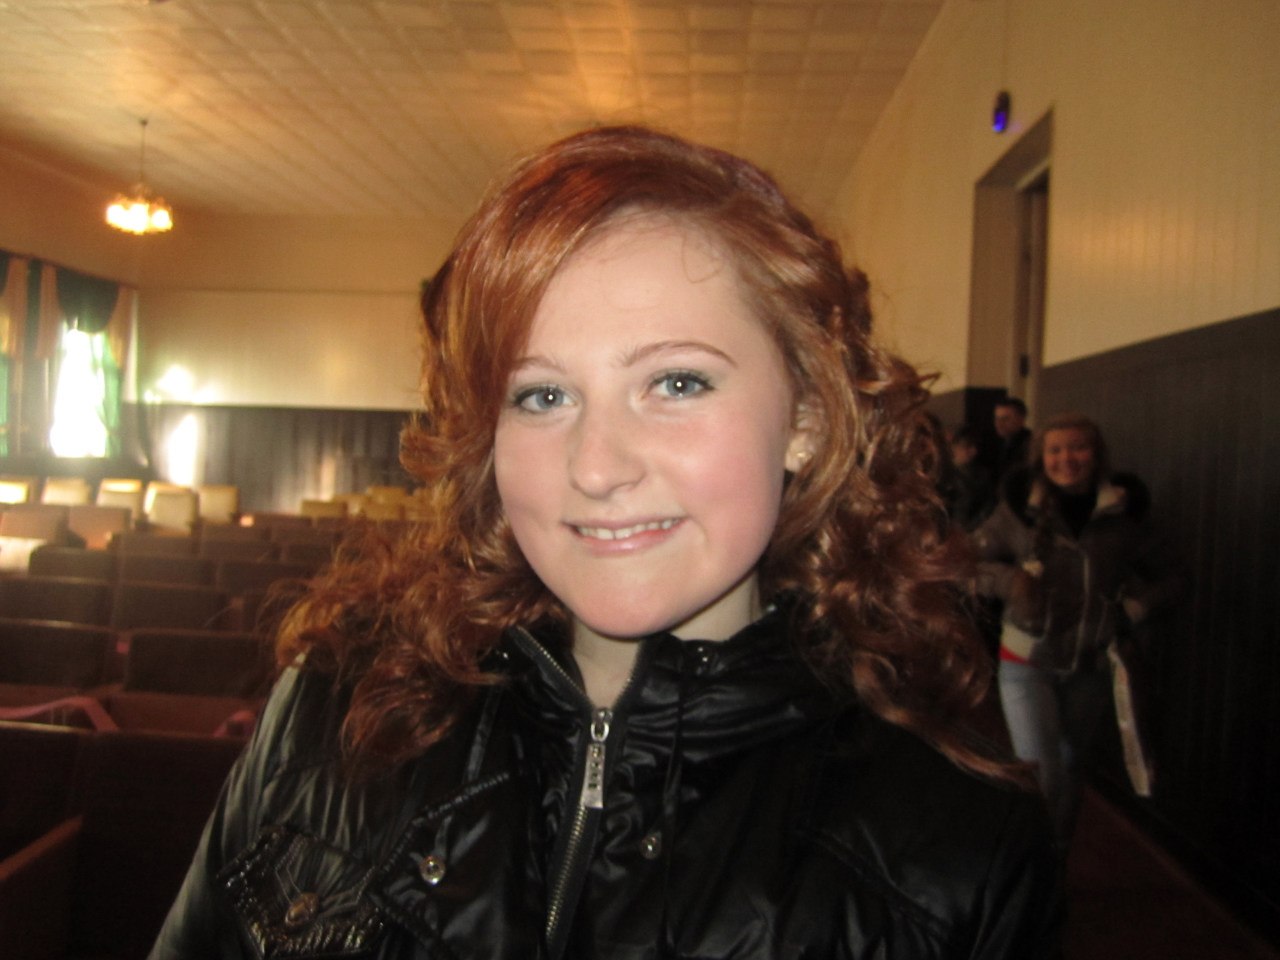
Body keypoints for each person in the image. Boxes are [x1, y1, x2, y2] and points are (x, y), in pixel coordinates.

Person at [151, 126, 1061, 959]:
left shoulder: (961, 848)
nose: (595, 467)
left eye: (676, 382)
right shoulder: (332, 709)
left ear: (807, 418)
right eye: (542, 395)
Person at [973, 413, 1181, 850]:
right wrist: (1010, 582)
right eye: (1055, 450)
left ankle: (1054, 862)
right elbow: (966, 563)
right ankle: (1027, 867)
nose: (1066, 458)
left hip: (1090, 665)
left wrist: (1135, 608)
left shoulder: (1122, 515)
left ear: (1097, 454)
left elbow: (1174, 576)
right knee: (1039, 772)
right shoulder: (1018, 510)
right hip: (1026, 661)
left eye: (1077, 447)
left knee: (1070, 770)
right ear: (1041, 457)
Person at [992, 396, 1032, 487]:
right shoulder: (993, 443)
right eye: (997, 418)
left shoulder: (1031, 444)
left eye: (1005, 419)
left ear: (1021, 419)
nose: (998, 424)